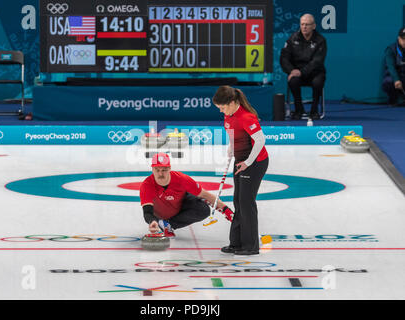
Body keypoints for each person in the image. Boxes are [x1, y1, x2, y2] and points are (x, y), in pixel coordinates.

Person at [212, 85, 269, 256]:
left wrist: (247, 162)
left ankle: (251, 246)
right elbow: (234, 135)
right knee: (238, 201)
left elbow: (260, 141)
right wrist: (231, 148)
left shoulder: (247, 117)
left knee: (246, 203)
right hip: (241, 161)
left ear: (232, 102)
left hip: (254, 162)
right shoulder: (229, 117)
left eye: (222, 108)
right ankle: (236, 243)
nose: (222, 111)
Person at [140, 152, 234, 237]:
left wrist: (227, 211)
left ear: (169, 168)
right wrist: (152, 221)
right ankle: (161, 223)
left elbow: (206, 195)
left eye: (164, 170)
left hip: (179, 207)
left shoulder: (182, 179)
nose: (160, 173)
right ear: (152, 169)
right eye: (157, 169)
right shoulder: (146, 185)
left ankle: (168, 224)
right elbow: (147, 212)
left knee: (203, 209)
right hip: (160, 215)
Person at [280, 13, 327, 120]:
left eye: (307, 24)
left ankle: (314, 110)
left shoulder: (321, 40)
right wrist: (291, 71)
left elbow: (317, 61)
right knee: (293, 81)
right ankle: (298, 109)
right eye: (302, 24)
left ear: (313, 26)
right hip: (296, 72)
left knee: (318, 82)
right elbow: (284, 58)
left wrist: (302, 71)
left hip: (315, 72)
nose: (304, 27)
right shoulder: (292, 39)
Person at [382, 27, 405, 105]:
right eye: (403, 39)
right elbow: (391, 67)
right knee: (389, 81)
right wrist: (396, 79)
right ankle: (394, 98)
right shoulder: (391, 50)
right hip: (396, 79)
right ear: (399, 38)